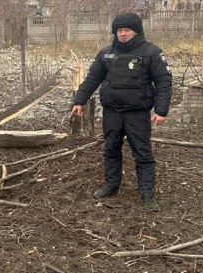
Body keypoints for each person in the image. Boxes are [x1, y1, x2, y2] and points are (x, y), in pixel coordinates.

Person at [69, 12, 172, 213]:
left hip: (138, 113)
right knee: (111, 149)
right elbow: (92, 79)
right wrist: (79, 101)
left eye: (127, 30)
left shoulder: (151, 52)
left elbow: (164, 82)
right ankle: (111, 185)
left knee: (142, 153)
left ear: (136, 31)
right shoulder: (106, 53)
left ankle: (147, 193)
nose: (123, 34)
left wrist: (161, 110)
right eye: (119, 30)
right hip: (112, 112)